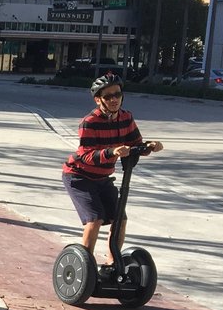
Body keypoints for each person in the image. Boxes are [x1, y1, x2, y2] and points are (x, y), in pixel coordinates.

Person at [61, 72, 163, 269]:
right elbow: (86, 154)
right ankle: (86, 266)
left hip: (103, 178)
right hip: (79, 176)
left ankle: (112, 263)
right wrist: (111, 152)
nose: (114, 99)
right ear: (98, 99)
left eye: (117, 94)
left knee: (120, 218)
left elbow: (135, 144)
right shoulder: (89, 122)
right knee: (95, 219)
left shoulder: (126, 117)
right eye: (108, 96)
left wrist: (149, 146)